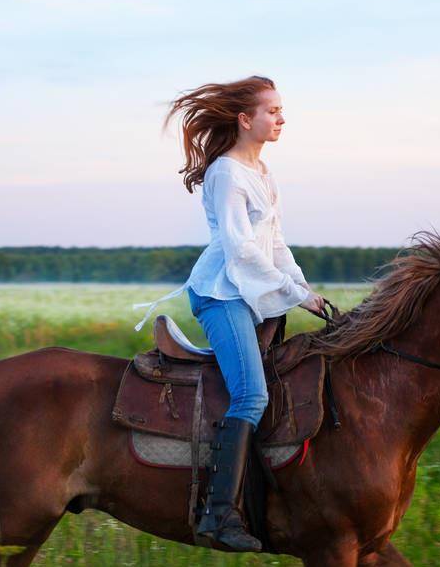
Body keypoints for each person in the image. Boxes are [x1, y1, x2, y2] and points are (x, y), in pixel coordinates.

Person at [132, 75, 325, 551]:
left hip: (252, 292)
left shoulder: (263, 173)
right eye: (272, 111)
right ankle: (217, 515)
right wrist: (291, 294)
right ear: (245, 120)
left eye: (281, 110)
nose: (281, 118)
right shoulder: (226, 173)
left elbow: (274, 244)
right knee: (251, 397)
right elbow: (240, 249)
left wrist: (304, 289)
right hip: (221, 293)